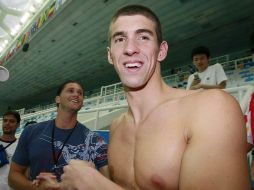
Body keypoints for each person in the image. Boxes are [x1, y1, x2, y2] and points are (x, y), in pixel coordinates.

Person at [60, 5, 251, 190]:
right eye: (120, 39)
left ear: (162, 50)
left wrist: (96, 185)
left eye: (143, 37)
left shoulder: (211, 109)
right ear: (110, 56)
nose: (130, 48)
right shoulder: (118, 127)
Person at [8, 80, 109, 190]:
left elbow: (109, 180)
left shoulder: (94, 140)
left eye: (80, 93)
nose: (76, 94)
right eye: (70, 90)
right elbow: (13, 176)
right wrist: (36, 189)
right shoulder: (31, 131)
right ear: (58, 99)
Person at [0, 110, 20, 190]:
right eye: (5, 120)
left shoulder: (20, 146)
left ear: (18, 125)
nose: (7, 123)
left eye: (11, 121)